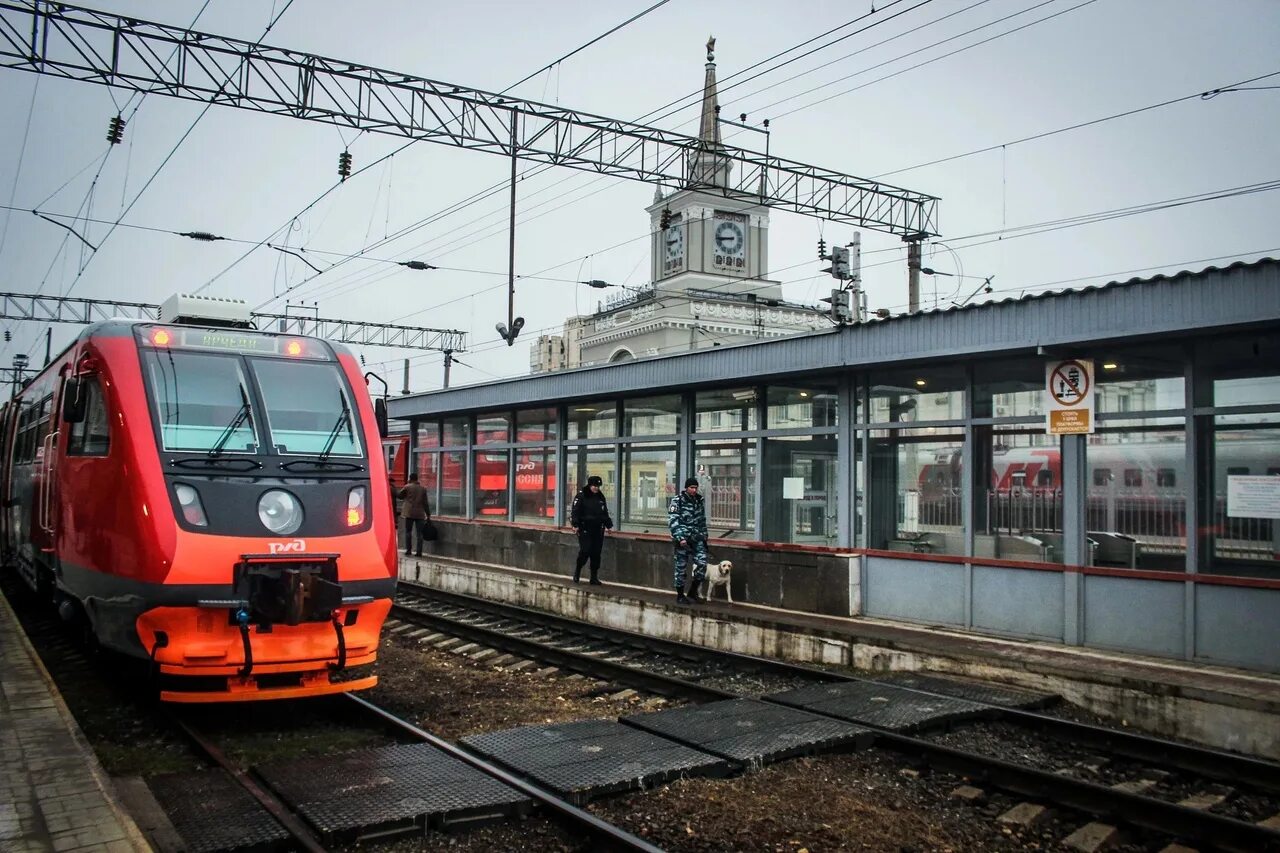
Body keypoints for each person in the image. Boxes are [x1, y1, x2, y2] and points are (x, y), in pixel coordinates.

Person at [668, 476, 708, 604]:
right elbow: (673, 521)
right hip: (683, 540)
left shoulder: (699, 501)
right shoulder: (678, 500)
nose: (694, 490)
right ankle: (680, 595)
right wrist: (680, 538)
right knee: (681, 568)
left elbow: (702, 520)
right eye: (691, 487)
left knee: (702, 564)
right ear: (686, 488)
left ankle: (692, 591)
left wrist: (704, 536)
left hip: (697, 538)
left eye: (696, 488)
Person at [570, 475, 613, 584]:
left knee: (596, 553)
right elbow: (575, 511)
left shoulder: (600, 497)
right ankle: (578, 571)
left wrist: (608, 525)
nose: (596, 488)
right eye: (594, 486)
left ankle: (594, 577)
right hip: (585, 528)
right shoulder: (581, 496)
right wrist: (575, 524)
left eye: (598, 486)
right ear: (589, 485)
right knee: (585, 550)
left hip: (598, 529)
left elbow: (604, 512)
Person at [397, 473, 431, 556]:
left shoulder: (407, 487)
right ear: (417, 479)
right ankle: (419, 552)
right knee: (420, 534)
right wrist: (428, 514)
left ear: (410, 478)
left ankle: (409, 550)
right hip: (420, 514)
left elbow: (400, 496)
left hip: (409, 513)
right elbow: (425, 503)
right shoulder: (423, 489)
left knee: (408, 532)